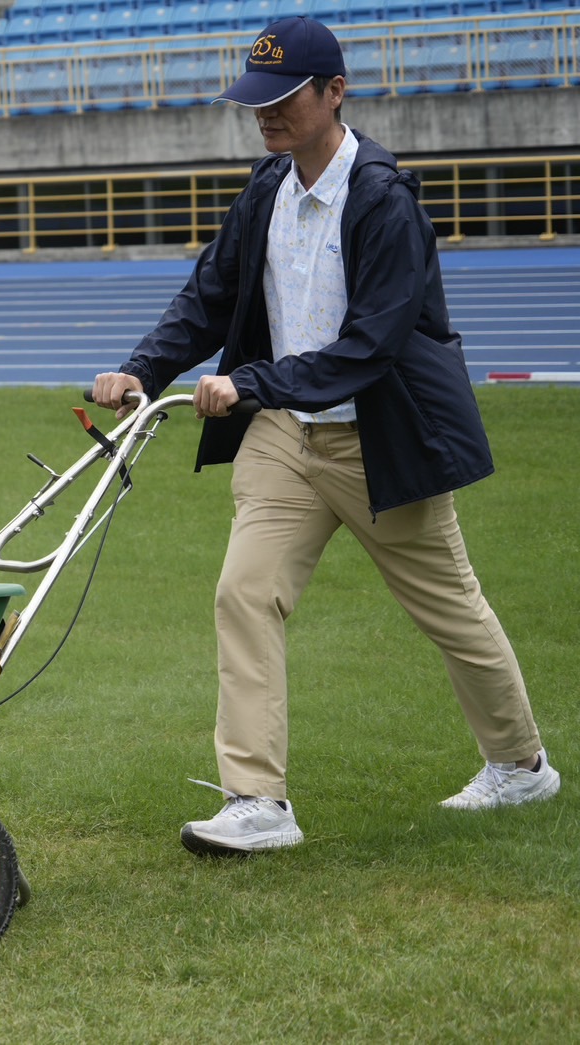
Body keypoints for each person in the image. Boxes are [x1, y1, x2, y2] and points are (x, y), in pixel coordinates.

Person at [90, 15, 559, 855]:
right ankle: (256, 799)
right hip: (283, 440)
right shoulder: (265, 187)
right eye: (255, 100)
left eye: (283, 98)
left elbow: (367, 349)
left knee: (450, 610)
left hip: (378, 438)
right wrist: (140, 370)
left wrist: (248, 383)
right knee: (243, 593)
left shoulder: (383, 200)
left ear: (334, 92)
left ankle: (520, 764)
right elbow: (207, 294)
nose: (265, 114)